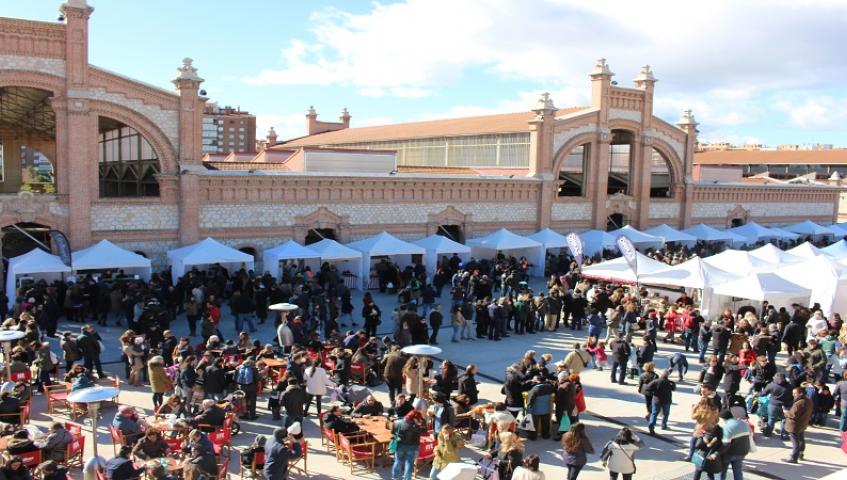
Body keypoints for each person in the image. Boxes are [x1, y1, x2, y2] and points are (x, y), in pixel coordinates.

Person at [391, 410, 428, 480]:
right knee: (409, 463)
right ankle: (407, 478)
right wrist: (422, 422)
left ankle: (395, 478)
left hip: (399, 446)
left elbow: (393, 432)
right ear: (415, 418)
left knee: (398, 462)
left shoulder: (396, 422)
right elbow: (425, 432)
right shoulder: (416, 426)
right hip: (412, 447)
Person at [719, 409, 752, 480]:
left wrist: (718, 453)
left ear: (723, 418)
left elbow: (726, 444)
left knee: (722, 471)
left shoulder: (727, 427)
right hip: (742, 452)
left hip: (730, 453)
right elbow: (750, 434)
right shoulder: (743, 423)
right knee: (738, 472)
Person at [784, 387, 813, 464]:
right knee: (801, 439)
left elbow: (793, 415)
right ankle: (801, 453)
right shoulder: (808, 401)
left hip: (794, 425)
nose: (793, 395)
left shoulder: (799, 403)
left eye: (795, 393)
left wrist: (785, 412)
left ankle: (794, 457)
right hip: (802, 423)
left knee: (795, 442)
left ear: (801, 393)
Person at [645, 370, 676, 435]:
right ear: (667, 375)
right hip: (667, 401)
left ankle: (651, 426)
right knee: (666, 414)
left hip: (657, 400)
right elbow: (673, 388)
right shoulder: (669, 383)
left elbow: (647, 388)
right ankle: (663, 425)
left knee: (654, 414)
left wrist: (653, 392)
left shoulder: (656, 381)